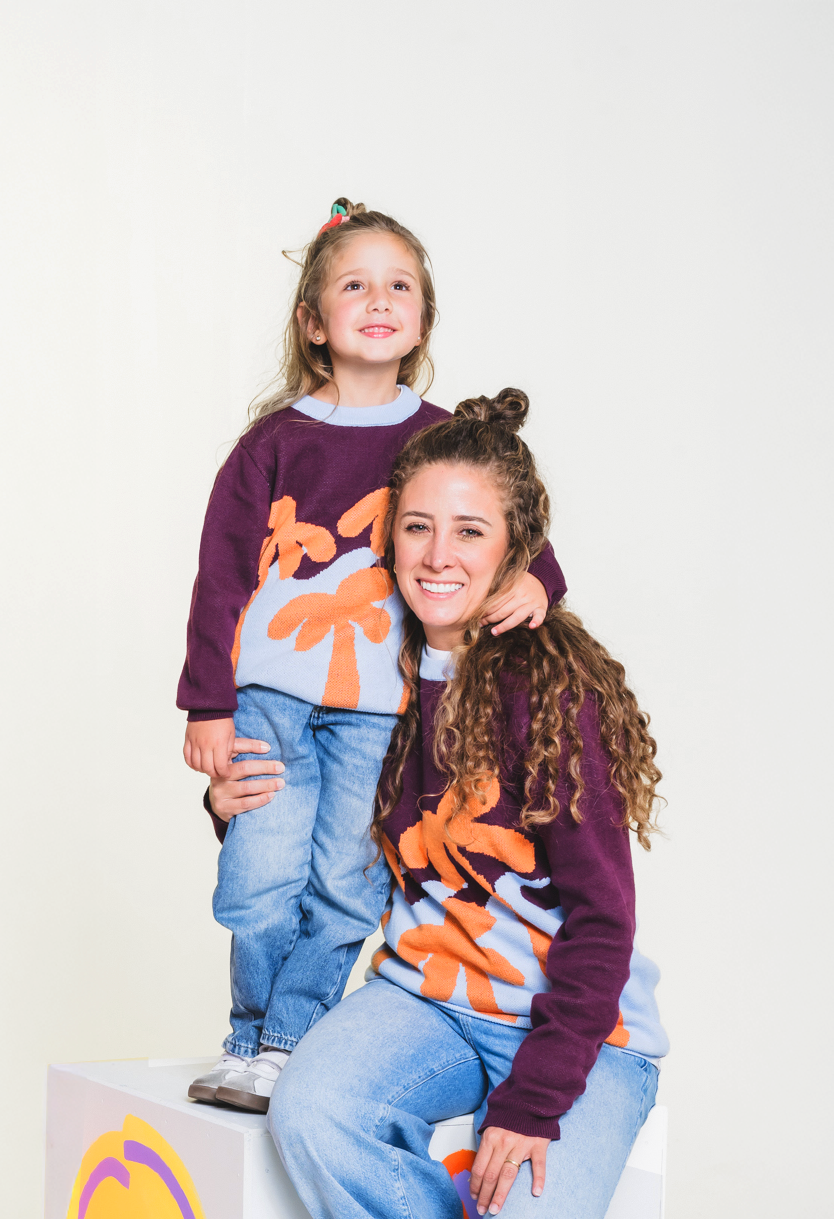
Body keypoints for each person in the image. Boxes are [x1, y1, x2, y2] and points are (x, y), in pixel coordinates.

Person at [237, 390, 668, 1219]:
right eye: (415, 526)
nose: (437, 553)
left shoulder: (548, 687)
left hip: (574, 1029)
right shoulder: (383, 657)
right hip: (431, 995)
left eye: (470, 534)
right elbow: (319, 804)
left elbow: (602, 924)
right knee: (316, 1107)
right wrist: (233, 794)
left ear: (518, 552)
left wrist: (531, 1105)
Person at [178, 201, 566, 1113]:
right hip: (270, 701)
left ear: (423, 321)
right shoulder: (271, 445)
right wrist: (208, 704)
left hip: (379, 710)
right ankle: (246, 1036)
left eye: (400, 286)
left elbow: (509, 523)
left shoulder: (441, 438)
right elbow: (220, 574)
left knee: (346, 886)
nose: (379, 300)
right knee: (260, 880)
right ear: (314, 322)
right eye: (355, 285)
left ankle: (288, 1044)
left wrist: (540, 581)